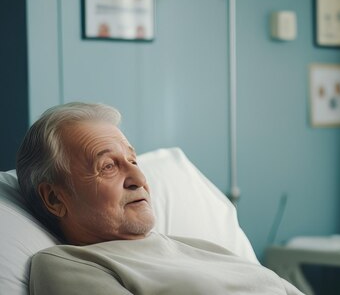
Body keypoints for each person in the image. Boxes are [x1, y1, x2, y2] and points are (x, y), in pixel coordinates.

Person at [16, 102, 303, 295]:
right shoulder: (69, 264)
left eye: (133, 160)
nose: (138, 179)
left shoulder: (201, 247)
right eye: (108, 166)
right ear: (54, 198)